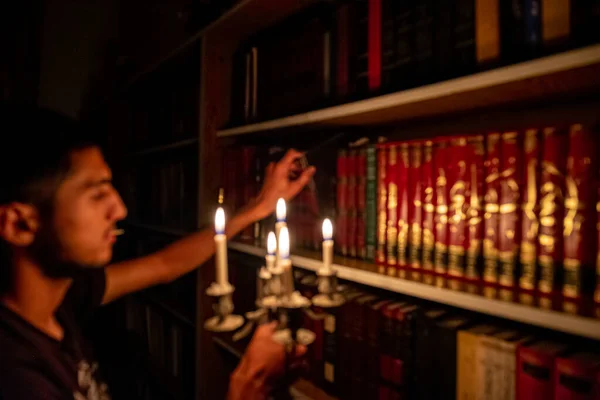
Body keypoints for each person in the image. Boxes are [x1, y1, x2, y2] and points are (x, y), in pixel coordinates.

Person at [0, 105, 316, 400]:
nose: (120, 209)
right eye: (97, 194)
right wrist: (248, 385)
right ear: (18, 224)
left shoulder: (63, 298)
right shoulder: (17, 376)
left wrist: (256, 208)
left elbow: (164, 264)